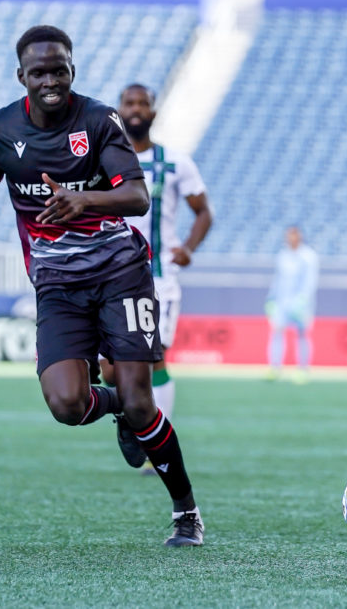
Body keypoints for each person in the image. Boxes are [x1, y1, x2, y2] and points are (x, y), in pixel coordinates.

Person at [0, 25, 203, 546]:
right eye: (39, 71)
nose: (50, 80)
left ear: (72, 70)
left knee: (142, 399)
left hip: (119, 273)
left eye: (59, 69)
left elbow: (137, 197)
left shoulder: (99, 119)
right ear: (22, 76)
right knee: (67, 405)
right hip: (59, 285)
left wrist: (83, 200)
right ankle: (121, 410)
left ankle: (185, 512)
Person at [99, 84, 213, 437]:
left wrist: (189, 248)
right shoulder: (102, 161)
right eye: (129, 103)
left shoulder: (175, 163)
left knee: (154, 357)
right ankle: (129, 419)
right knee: (109, 369)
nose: (136, 109)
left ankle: (156, 441)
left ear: (153, 112)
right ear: (119, 112)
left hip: (157, 278)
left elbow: (203, 213)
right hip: (109, 279)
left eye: (142, 103)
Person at [265, 226, 319, 382]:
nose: (291, 238)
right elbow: (277, 280)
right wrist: (271, 299)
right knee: (277, 332)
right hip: (282, 302)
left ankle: (303, 369)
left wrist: (302, 300)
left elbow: (310, 281)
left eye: (294, 235)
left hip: (301, 303)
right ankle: (275, 368)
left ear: (300, 236)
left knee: (302, 334)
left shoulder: (308, 256)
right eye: (288, 235)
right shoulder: (282, 255)